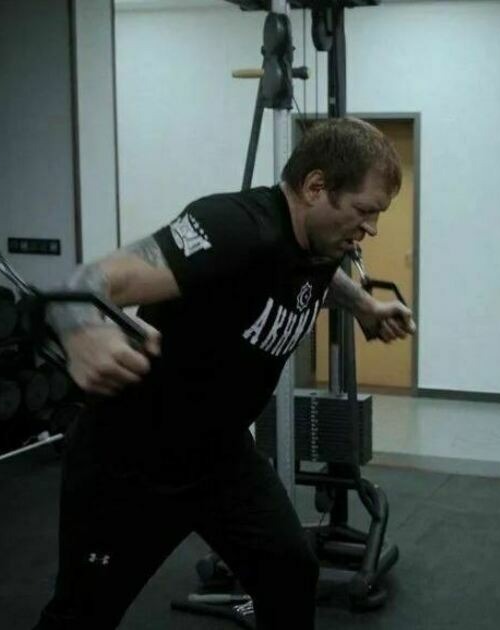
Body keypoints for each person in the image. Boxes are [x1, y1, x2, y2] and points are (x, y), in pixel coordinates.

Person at [34, 118, 415, 630]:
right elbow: (88, 280)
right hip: (131, 461)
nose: (371, 229)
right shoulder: (231, 228)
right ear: (315, 187)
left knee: (290, 573)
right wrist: (82, 328)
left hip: (220, 458)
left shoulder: (324, 241)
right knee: (82, 616)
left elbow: (314, 276)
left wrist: (365, 305)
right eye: (365, 211)